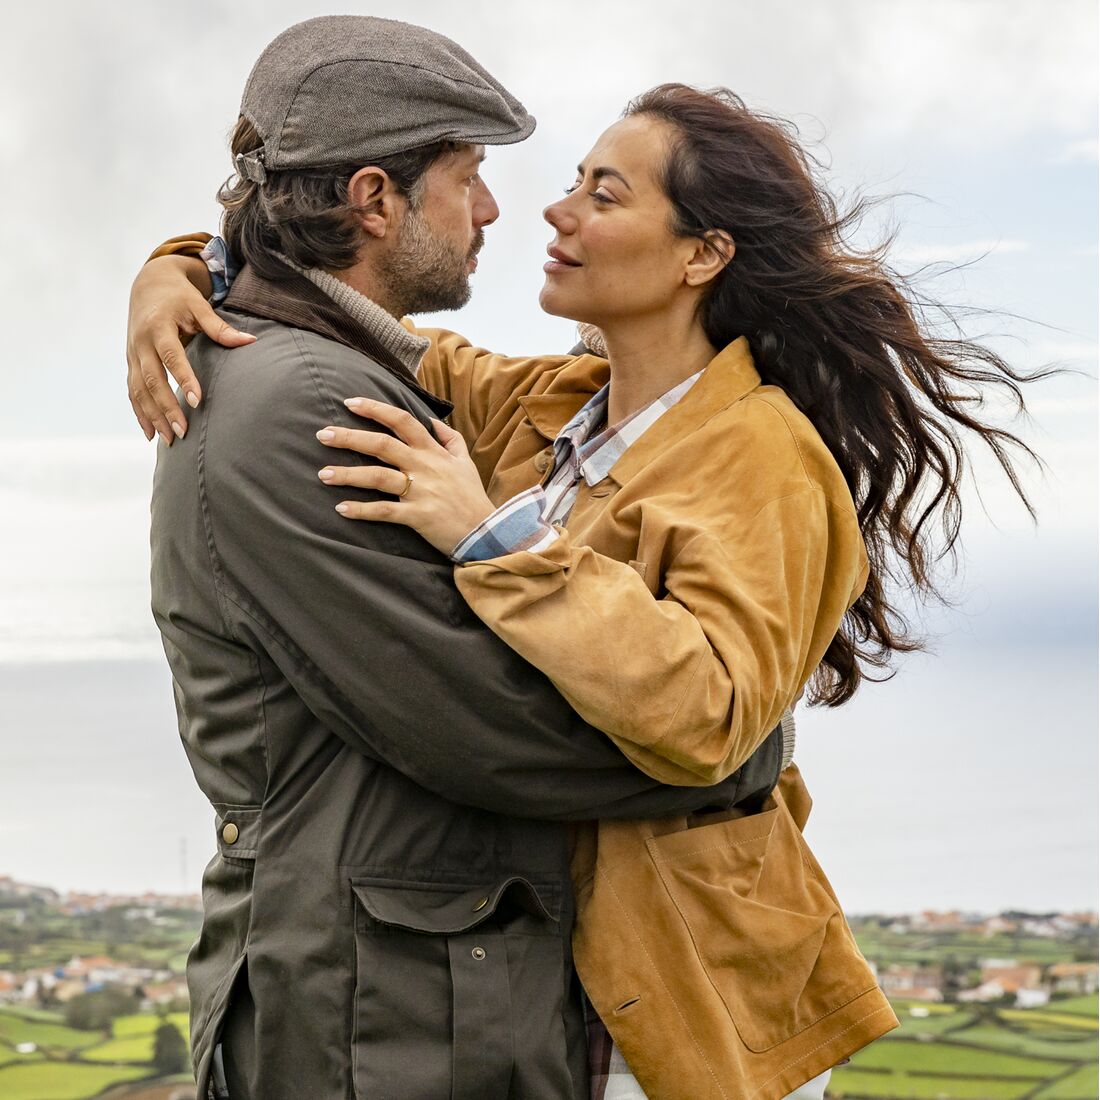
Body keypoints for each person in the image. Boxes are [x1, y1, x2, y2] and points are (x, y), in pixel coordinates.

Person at [134, 17, 796, 1100]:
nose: (497, 208)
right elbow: (493, 724)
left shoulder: (357, 369)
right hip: (375, 1016)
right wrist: (739, 748)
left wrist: (181, 264)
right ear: (373, 199)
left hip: (397, 1000)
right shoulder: (307, 401)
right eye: (467, 175)